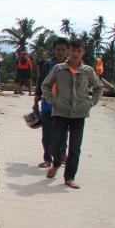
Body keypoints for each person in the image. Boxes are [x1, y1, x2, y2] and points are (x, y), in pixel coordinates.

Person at [41, 38, 104, 189]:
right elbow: (46, 85)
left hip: (79, 113)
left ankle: (69, 177)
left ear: (83, 52)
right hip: (60, 111)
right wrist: (52, 101)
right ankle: (56, 163)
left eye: (79, 51)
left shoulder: (87, 71)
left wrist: (90, 103)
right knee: (55, 143)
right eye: (73, 51)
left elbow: (99, 87)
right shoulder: (58, 69)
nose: (76, 54)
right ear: (69, 51)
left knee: (75, 147)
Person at [34, 39, 69, 167]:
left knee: (62, 134)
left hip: (64, 106)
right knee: (47, 133)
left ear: (67, 51)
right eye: (58, 49)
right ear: (54, 50)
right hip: (48, 104)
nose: (60, 52)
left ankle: (60, 157)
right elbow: (41, 82)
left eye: (63, 50)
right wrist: (36, 99)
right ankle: (47, 158)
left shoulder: (71, 66)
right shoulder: (48, 64)